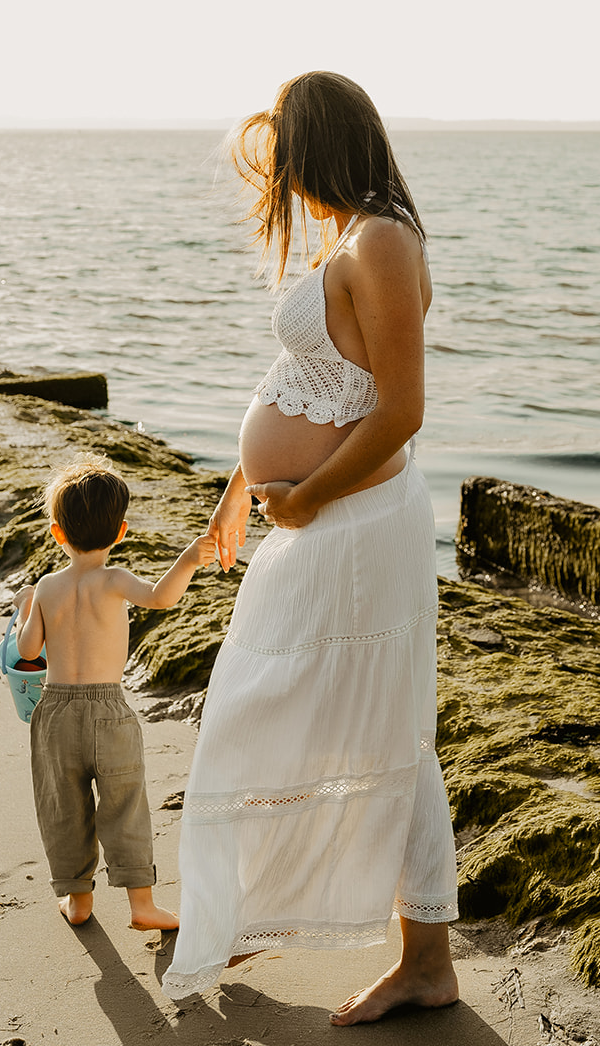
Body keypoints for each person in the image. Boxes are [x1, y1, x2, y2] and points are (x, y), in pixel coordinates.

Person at [163, 70, 459, 1024]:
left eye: (283, 156)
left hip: (359, 524)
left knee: (368, 728)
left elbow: (400, 413)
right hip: (326, 520)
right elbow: (312, 381)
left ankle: (419, 961)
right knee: (310, 713)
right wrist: (239, 494)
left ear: (313, 148)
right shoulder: (354, 235)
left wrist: (306, 497)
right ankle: (261, 905)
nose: (279, 179)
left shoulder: (378, 240)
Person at [13, 455, 217, 930]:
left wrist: (26, 608)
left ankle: (78, 900)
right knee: (125, 804)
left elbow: (28, 651)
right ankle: (142, 906)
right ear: (121, 532)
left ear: (57, 533)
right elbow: (162, 597)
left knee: (63, 806)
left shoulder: (46, 586)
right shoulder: (115, 579)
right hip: (110, 710)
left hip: (56, 712)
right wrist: (186, 559)